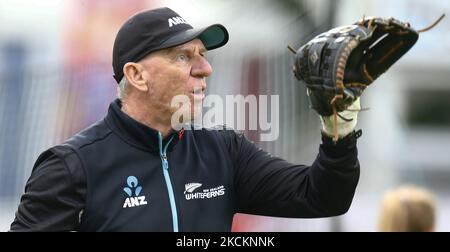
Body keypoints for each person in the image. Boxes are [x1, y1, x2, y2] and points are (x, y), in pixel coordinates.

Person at [10, 7, 361, 232]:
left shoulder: (223, 151)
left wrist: (339, 125)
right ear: (136, 75)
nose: (205, 69)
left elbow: (322, 196)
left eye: (203, 55)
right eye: (182, 56)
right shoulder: (71, 166)